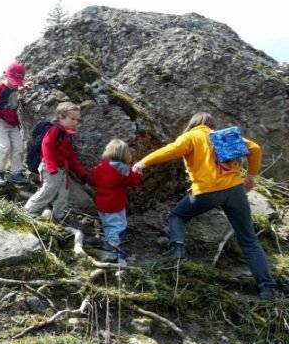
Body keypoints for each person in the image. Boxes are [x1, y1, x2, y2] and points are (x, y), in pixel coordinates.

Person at [132, 112, 276, 299]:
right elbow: (255, 148)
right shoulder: (223, 136)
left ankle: (177, 252)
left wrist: (143, 163)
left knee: (178, 216)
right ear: (211, 124)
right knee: (249, 241)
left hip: (207, 192)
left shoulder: (191, 136)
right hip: (235, 190)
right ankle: (267, 288)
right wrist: (251, 176)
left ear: (193, 123)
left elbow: (171, 150)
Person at [24, 102, 88, 221]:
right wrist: (52, 167)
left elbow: (71, 156)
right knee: (48, 190)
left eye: (77, 120)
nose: (75, 122)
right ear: (61, 117)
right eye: (72, 119)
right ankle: (29, 210)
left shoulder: (67, 135)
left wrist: (81, 172)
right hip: (50, 168)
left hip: (62, 169)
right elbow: (46, 146)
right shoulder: (55, 130)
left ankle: (58, 216)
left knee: (64, 193)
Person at [91, 139, 143, 262]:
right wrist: (138, 173)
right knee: (118, 226)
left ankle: (108, 243)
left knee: (107, 224)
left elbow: (93, 180)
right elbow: (133, 181)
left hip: (101, 203)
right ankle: (112, 247)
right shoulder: (123, 169)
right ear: (125, 154)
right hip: (114, 204)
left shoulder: (100, 166)